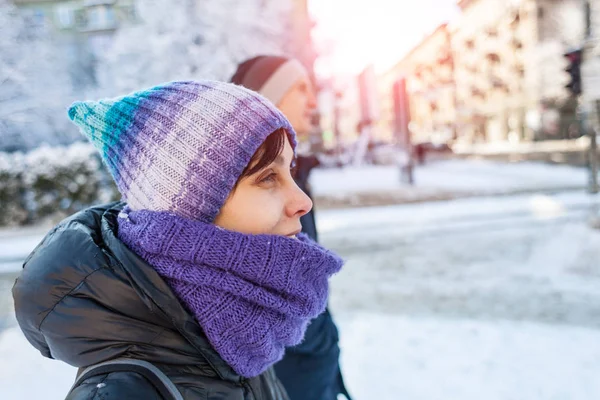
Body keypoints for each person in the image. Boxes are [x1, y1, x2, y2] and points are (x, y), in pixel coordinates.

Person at [12, 80, 344, 399]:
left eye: (290, 170)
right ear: (191, 209)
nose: (303, 201)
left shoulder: (244, 334)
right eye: (268, 177)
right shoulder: (126, 393)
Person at [231, 56, 351, 400]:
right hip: (286, 383)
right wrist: (323, 336)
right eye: (300, 88)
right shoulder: (247, 192)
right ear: (267, 99)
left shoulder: (292, 178)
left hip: (312, 376)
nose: (312, 101)